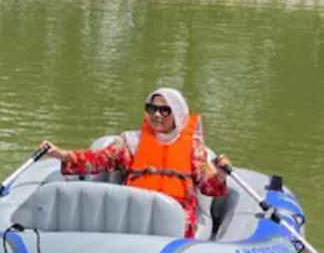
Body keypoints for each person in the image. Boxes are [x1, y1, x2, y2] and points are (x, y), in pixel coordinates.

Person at [39, 88, 231, 239]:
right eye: (152, 109)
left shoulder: (193, 148)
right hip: (134, 214)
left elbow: (209, 186)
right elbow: (99, 159)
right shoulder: (132, 142)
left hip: (176, 219)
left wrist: (220, 174)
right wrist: (62, 155)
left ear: (178, 114)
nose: (157, 115)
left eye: (165, 110)